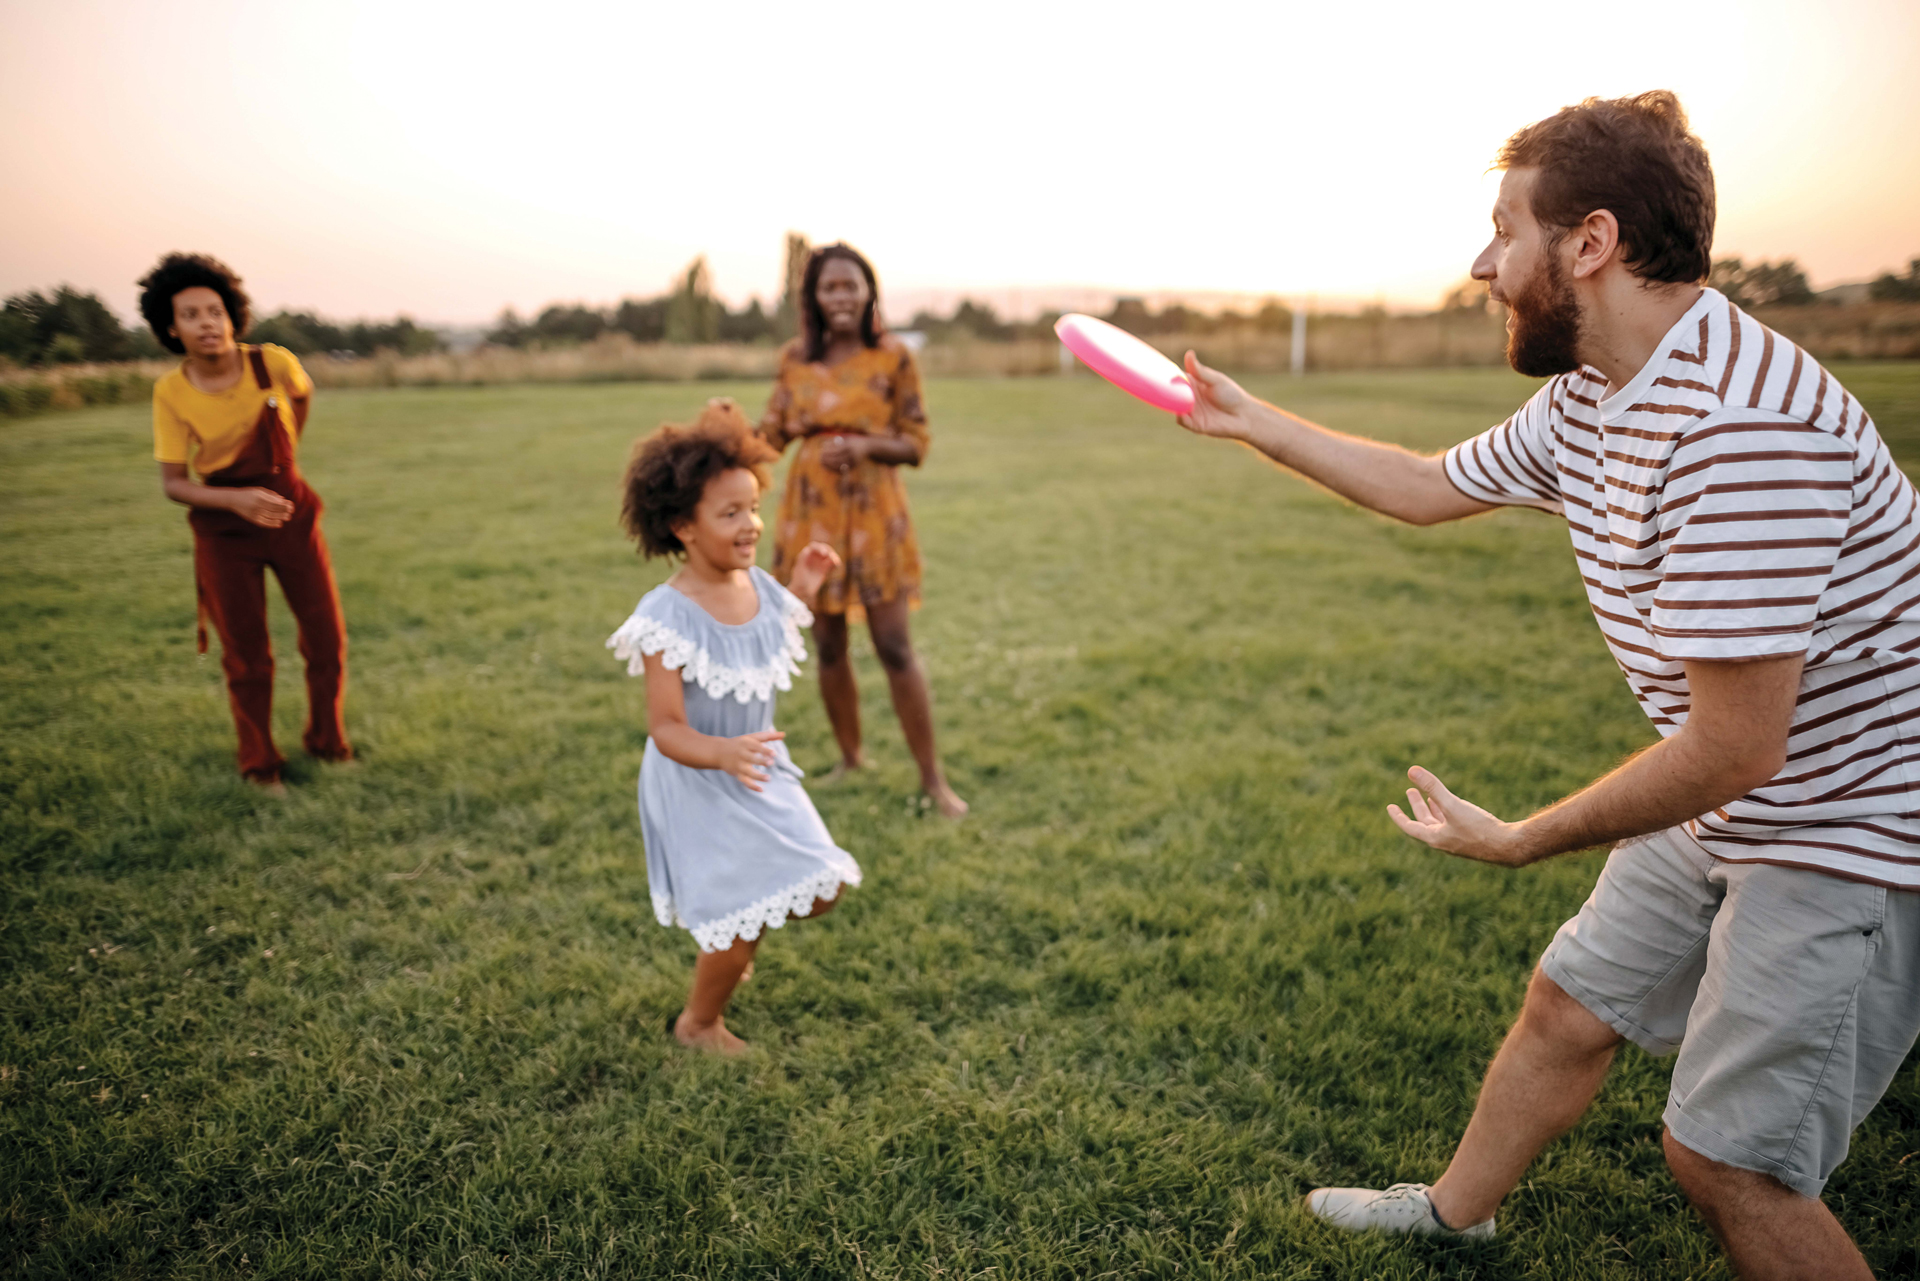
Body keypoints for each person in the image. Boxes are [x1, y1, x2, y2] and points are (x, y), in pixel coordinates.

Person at [1177, 92, 1918, 1280]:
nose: (1481, 263)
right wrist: (1254, 420)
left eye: (1503, 229)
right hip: (1739, 793)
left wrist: (1528, 837)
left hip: (1852, 826)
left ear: (1592, 243)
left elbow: (1737, 747)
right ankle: (1451, 1218)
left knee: (1731, 1162)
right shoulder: (1595, 393)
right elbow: (1427, 485)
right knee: (1571, 1002)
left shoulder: (1743, 428)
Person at [608, 399, 860, 1055]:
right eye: (730, 514)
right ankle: (699, 1022)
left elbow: (771, 630)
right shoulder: (667, 617)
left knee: (822, 883)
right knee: (744, 909)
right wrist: (718, 752)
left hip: (757, 769)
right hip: (699, 776)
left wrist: (802, 583)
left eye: (752, 507)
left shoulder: (756, 585)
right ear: (682, 527)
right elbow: (665, 726)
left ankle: (729, 936)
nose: (750, 524)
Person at [759, 243, 968, 818]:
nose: (842, 297)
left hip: (875, 512)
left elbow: (916, 442)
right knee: (827, 645)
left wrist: (865, 446)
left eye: (852, 285)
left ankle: (934, 780)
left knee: (895, 645)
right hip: (812, 511)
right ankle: (850, 758)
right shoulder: (795, 359)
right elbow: (771, 434)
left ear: (869, 292)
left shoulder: (894, 357)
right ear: (814, 297)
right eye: (831, 287)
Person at [141, 253, 352, 790]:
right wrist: (237, 501)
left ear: (233, 315)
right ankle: (260, 765)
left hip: (291, 515)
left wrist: (284, 466)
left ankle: (327, 740)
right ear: (171, 328)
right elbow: (173, 483)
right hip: (225, 528)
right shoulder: (172, 391)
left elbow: (302, 399)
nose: (207, 323)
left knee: (326, 640)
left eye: (216, 311)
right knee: (247, 656)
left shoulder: (273, 364)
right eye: (191, 315)